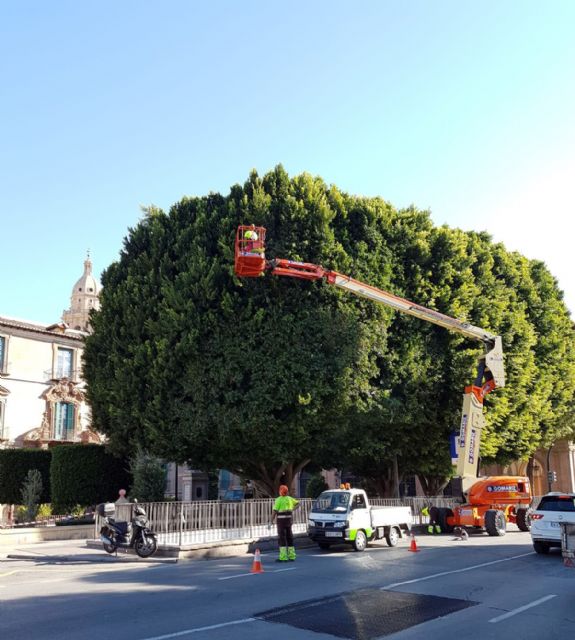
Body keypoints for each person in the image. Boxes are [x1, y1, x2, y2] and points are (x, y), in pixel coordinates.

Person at [271, 484, 300, 562]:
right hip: (289, 521)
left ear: (280, 491)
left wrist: (270, 521)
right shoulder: (290, 499)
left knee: (282, 538)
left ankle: (283, 557)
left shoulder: (278, 500)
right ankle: (292, 556)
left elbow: (274, 511)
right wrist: (292, 509)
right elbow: (298, 503)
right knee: (289, 537)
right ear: (287, 492)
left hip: (281, 522)